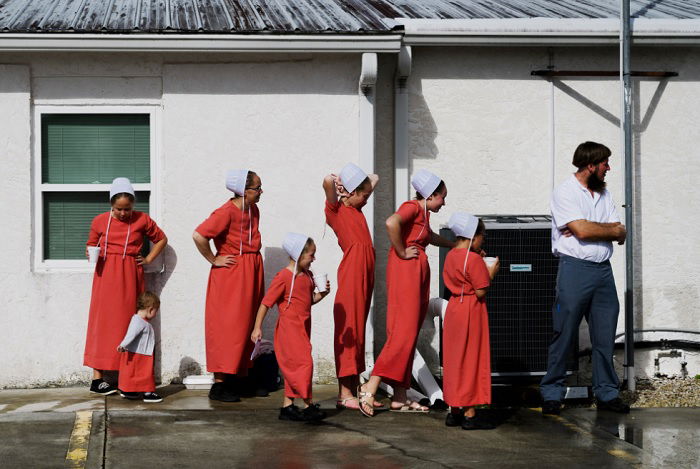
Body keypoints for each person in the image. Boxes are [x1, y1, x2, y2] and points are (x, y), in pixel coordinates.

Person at [540, 141, 629, 415]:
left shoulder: (604, 195)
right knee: (564, 332)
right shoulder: (565, 192)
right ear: (591, 165)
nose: (608, 169)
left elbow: (621, 232)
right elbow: (583, 231)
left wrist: (593, 228)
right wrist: (599, 229)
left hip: (603, 272)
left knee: (604, 336)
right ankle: (552, 393)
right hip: (575, 269)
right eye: (605, 164)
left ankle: (606, 394)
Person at [357, 169, 454, 417]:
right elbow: (391, 223)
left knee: (409, 334)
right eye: (442, 196)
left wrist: (454, 246)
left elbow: (428, 236)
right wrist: (401, 251)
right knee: (402, 332)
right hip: (406, 272)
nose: (444, 201)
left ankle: (400, 396)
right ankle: (371, 385)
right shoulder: (411, 206)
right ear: (431, 194)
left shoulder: (422, 213)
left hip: (416, 273)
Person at [84, 177, 168, 395]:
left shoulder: (142, 220)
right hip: (106, 274)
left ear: (133, 205)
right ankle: (97, 379)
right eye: (118, 208)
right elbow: (91, 244)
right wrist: (91, 252)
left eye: (127, 209)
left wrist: (148, 259)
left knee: (129, 323)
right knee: (102, 323)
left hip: (131, 274)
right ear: (111, 204)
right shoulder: (99, 221)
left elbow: (161, 239)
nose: (123, 213)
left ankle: (128, 379)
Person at [193, 170, 265, 402]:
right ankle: (220, 383)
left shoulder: (253, 209)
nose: (261, 192)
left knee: (247, 322)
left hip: (252, 268)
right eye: (257, 188)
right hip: (232, 273)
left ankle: (241, 376)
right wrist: (214, 259)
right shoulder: (225, 212)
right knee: (228, 325)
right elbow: (199, 235)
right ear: (243, 191)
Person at [251, 233, 331, 422]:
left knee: (294, 367)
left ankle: (287, 407)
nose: (314, 259)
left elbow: (307, 301)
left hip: (303, 327)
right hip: (289, 329)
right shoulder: (284, 277)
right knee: (304, 364)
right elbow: (266, 303)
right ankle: (308, 405)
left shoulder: (308, 276)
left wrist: (323, 294)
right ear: (298, 254)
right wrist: (257, 327)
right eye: (311, 255)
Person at [322, 163, 382, 410]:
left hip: (364, 277)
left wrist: (357, 184)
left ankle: (357, 388)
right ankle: (344, 393)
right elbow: (326, 181)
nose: (367, 199)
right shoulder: (335, 210)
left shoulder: (358, 209)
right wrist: (341, 185)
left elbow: (374, 178)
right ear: (350, 192)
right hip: (352, 276)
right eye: (364, 195)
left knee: (358, 331)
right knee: (348, 330)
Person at [442, 213, 499, 430]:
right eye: (481, 235)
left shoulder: (451, 255)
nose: (483, 239)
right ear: (472, 236)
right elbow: (481, 290)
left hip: (455, 307)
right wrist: (490, 272)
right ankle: (469, 412)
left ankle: (454, 409)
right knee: (471, 359)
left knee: (455, 359)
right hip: (471, 309)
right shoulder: (474, 260)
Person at [117, 291, 163, 403]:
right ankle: (148, 392)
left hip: (138, 352)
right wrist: (123, 344)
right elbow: (131, 334)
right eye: (156, 311)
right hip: (141, 354)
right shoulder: (139, 322)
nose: (156, 314)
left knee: (133, 373)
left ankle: (129, 390)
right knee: (145, 374)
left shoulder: (139, 320)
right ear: (150, 309)